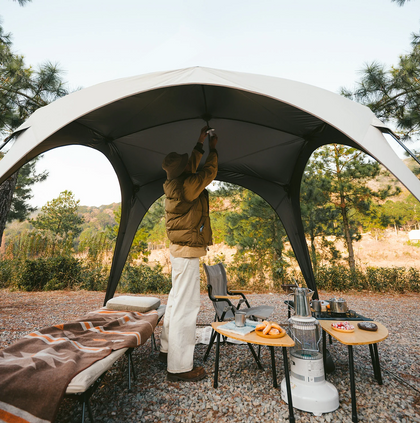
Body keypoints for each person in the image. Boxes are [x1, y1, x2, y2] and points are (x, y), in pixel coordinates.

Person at [159, 125, 218, 382]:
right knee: (187, 307)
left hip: (178, 251)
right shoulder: (187, 187)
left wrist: (200, 141)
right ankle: (180, 367)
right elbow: (207, 172)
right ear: (182, 171)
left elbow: (191, 167)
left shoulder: (174, 183)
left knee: (175, 301)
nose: (188, 165)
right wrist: (214, 149)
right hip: (186, 252)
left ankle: (166, 350)